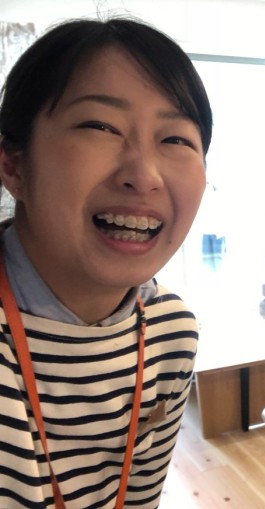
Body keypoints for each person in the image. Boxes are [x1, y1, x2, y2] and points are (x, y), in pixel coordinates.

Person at [0, 17, 212, 508]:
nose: (144, 175)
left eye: (176, 139)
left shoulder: (169, 332)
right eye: (100, 126)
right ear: (14, 164)